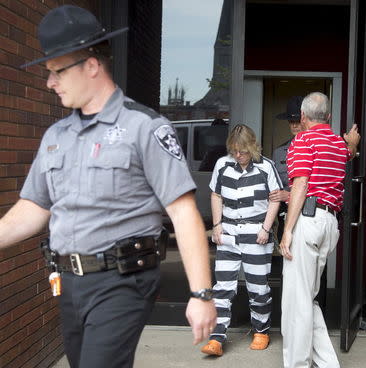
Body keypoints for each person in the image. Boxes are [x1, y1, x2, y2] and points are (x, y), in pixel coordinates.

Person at [0, 5, 216, 368]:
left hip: (123, 280)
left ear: (91, 65)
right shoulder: (57, 136)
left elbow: (183, 213)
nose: (49, 82)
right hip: (69, 283)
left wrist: (201, 294)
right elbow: (33, 209)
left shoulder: (144, 128)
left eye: (56, 71)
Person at [279, 92, 360, 368]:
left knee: (296, 302)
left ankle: (298, 365)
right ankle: (327, 364)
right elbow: (348, 153)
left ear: (302, 117)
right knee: (307, 299)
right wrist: (353, 145)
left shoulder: (303, 140)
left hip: (308, 221)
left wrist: (287, 230)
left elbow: (300, 184)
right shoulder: (339, 144)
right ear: (328, 117)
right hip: (329, 224)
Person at [201, 124, 282, 356]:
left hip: (257, 234)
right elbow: (216, 194)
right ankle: (217, 337)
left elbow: (275, 199)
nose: (239, 155)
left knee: (258, 287)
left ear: (253, 147)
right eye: (235, 150)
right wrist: (216, 225)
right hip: (227, 234)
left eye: (243, 151)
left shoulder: (267, 166)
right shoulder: (222, 165)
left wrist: (266, 229)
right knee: (223, 287)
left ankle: (261, 331)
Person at [269, 96, 304, 241]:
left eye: (297, 121)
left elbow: (316, 188)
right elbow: (273, 186)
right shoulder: (279, 152)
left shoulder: (317, 149)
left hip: (309, 216)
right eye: (291, 122)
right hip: (285, 215)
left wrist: (288, 195)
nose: (294, 126)